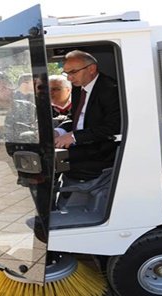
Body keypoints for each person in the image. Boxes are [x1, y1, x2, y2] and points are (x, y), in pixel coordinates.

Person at [54, 50, 121, 208]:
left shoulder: (110, 89)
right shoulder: (79, 87)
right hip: (83, 143)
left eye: (73, 72)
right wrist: (59, 132)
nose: (69, 78)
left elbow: (113, 127)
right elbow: (74, 118)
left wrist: (74, 137)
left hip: (102, 150)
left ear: (92, 69)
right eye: (66, 73)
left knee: (50, 161)